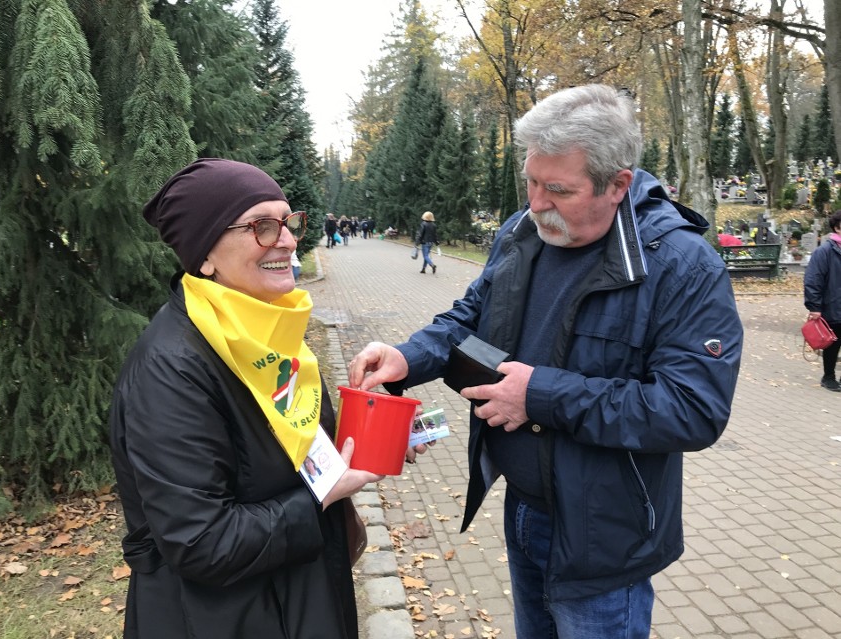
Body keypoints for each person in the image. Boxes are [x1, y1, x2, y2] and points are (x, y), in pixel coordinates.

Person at [347, 85, 743, 638]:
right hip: (526, 509)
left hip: (607, 536)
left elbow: (692, 409)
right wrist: (408, 357)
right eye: (531, 182)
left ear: (618, 185)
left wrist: (539, 395)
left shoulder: (680, 265)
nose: (536, 204)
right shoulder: (521, 233)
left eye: (558, 189)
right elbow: (470, 320)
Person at [109, 158, 384, 639]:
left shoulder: (269, 327)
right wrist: (322, 495)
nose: (288, 239)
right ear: (205, 255)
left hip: (298, 594)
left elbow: (286, 448)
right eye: (261, 226)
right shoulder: (171, 369)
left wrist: (372, 433)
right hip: (223, 618)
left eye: (288, 221)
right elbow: (201, 541)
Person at [804, 210, 841, 391]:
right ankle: (829, 377)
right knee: (833, 344)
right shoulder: (825, 252)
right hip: (833, 305)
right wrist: (814, 306)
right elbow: (813, 279)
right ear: (837, 228)